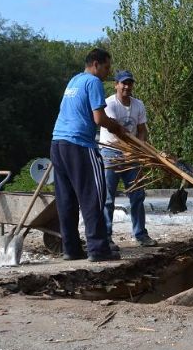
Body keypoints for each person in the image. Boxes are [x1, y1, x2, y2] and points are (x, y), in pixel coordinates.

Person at [50, 48, 126, 262]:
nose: (107, 72)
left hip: (58, 143)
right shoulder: (93, 82)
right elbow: (99, 119)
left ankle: (71, 249)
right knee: (93, 196)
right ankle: (98, 249)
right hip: (79, 145)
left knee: (67, 199)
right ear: (96, 64)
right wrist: (117, 127)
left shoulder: (74, 80)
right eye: (106, 67)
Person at [100, 70, 157, 250]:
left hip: (132, 154)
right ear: (116, 84)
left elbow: (142, 129)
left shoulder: (138, 105)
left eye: (129, 83)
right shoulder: (109, 104)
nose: (126, 87)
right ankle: (106, 237)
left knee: (138, 195)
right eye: (123, 83)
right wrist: (128, 150)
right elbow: (115, 130)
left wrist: (140, 147)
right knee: (108, 198)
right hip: (111, 152)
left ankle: (141, 234)